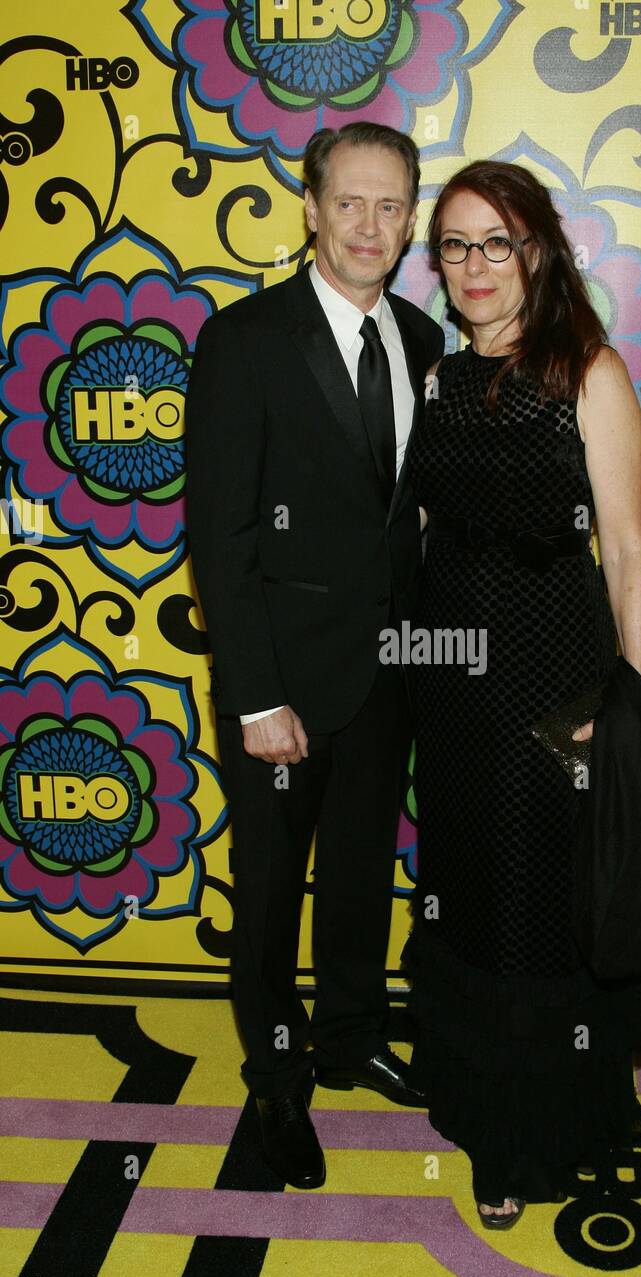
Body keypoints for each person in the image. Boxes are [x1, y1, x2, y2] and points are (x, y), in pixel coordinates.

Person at [401, 160, 641, 1228]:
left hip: (552, 683)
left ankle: (538, 1132)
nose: (475, 265)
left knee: (537, 904)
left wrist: (633, 708)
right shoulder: (434, 378)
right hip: (452, 689)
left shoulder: (586, 373)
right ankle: (484, 1108)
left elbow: (625, 555)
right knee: (470, 890)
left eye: (497, 241)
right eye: (455, 244)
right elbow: (425, 535)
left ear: (538, 252)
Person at [185, 122, 444, 1190]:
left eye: (390, 206)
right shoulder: (244, 339)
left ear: (410, 217)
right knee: (268, 895)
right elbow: (220, 535)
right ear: (309, 205)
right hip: (280, 687)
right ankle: (279, 1082)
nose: (369, 226)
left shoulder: (424, 342)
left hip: (387, 681)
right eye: (350, 202)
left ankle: (349, 1035)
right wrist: (254, 699)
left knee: (354, 880)